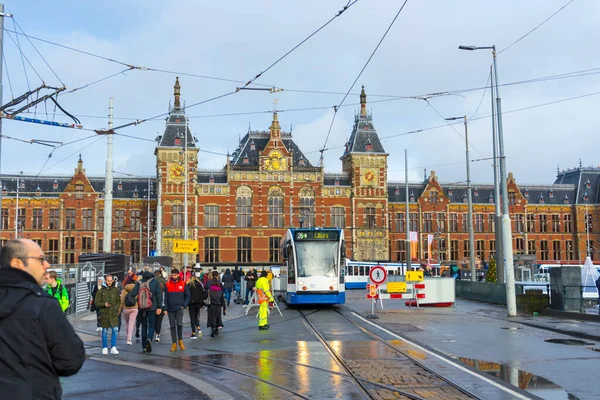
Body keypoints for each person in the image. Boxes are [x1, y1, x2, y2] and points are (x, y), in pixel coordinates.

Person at [0, 239, 85, 399]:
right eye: (41, 259)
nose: (47, 265)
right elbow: (70, 361)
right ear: (18, 263)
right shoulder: (42, 305)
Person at [138, 268, 163, 353]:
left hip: (142, 308)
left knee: (144, 326)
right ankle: (149, 338)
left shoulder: (139, 283)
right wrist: (160, 306)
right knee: (152, 325)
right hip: (152, 307)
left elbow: (133, 293)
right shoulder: (155, 282)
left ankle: (144, 346)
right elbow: (159, 294)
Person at [164, 268, 190, 352]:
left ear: (178, 275)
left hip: (179, 308)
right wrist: (165, 308)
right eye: (172, 275)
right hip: (171, 308)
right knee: (172, 326)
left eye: (175, 275)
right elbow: (165, 297)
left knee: (179, 324)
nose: (173, 276)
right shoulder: (167, 284)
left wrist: (184, 305)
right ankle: (174, 343)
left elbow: (187, 296)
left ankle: (180, 341)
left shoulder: (183, 284)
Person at [95, 274, 121, 355]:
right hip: (104, 314)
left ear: (113, 281)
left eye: (111, 281)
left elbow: (118, 301)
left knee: (115, 330)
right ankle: (105, 347)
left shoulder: (115, 290)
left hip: (113, 314)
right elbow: (96, 303)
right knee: (105, 332)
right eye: (108, 281)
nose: (109, 282)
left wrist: (115, 308)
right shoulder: (100, 291)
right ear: (105, 281)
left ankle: (113, 347)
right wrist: (104, 304)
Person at [118, 279, 139, 345]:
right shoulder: (136, 289)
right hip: (134, 308)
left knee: (127, 324)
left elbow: (121, 301)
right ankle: (129, 339)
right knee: (131, 324)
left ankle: (128, 336)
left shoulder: (124, 290)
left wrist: (119, 311)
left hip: (126, 308)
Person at [188, 271, 206, 339]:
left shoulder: (189, 284)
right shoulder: (200, 284)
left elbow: (188, 295)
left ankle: (193, 332)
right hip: (198, 303)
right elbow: (202, 294)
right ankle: (198, 328)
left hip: (191, 303)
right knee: (196, 316)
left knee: (192, 318)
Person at [153, 269, 167, 342]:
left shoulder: (151, 282)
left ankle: (155, 332)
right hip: (161, 307)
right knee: (159, 322)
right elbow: (164, 300)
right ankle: (157, 334)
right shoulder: (163, 290)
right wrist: (164, 309)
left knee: (153, 321)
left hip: (153, 307)